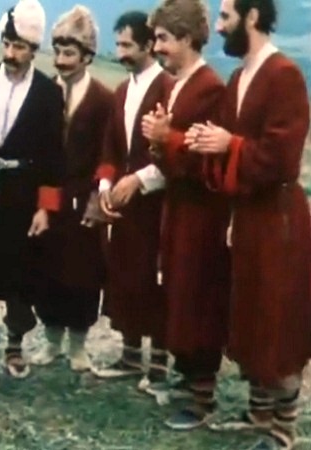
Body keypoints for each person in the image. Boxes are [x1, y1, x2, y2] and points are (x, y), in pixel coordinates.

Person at [187, 1, 311, 448]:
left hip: (277, 219)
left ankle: (284, 426)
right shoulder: (240, 78)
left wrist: (229, 144)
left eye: (226, 17)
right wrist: (201, 142)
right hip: (246, 215)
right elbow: (224, 138)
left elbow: (282, 156)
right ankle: (259, 414)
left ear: (253, 16)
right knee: (250, 314)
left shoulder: (284, 76)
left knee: (276, 320)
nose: (219, 27)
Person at [142, 0, 231, 430]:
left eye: (163, 38)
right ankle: (187, 374)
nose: (156, 47)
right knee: (178, 288)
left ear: (186, 38)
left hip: (202, 213)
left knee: (199, 294)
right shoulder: (176, 85)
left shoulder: (209, 87)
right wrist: (159, 142)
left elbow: (206, 159)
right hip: (179, 208)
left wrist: (167, 139)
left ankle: (202, 393)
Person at [0, 0, 64, 378]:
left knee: (20, 271)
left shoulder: (48, 92)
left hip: (22, 195)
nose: (10, 53)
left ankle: (14, 346)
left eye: (19, 46)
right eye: (6, 44)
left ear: (34, 49)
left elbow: (54, 155)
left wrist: (45, 207)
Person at [30, 5, 112, 372]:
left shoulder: (103, 98)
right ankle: (52, 341)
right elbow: (42, 154)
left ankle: (78, 345)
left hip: (84, 202)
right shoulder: (45, 92)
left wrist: (97, 197)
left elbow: (109, 152)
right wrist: (45, 204)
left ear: (87, 56)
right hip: (50, 197)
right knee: (47, 270)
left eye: (69, 54)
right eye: (58, 52)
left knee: (82, 274)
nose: (61, 61)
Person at [93, 11, 174, 385]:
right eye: (118, 44)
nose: (120, 52)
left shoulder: (168, 87)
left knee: (154, 279)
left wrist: (140, 181)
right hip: (123, 205)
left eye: (127, 45)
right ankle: (129, 355)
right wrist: (105, 187)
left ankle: (158, 363)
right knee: (124, 274)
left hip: (156, 202)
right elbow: (110, 147)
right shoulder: (122, 91)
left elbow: (173, 153)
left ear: (148, 45)